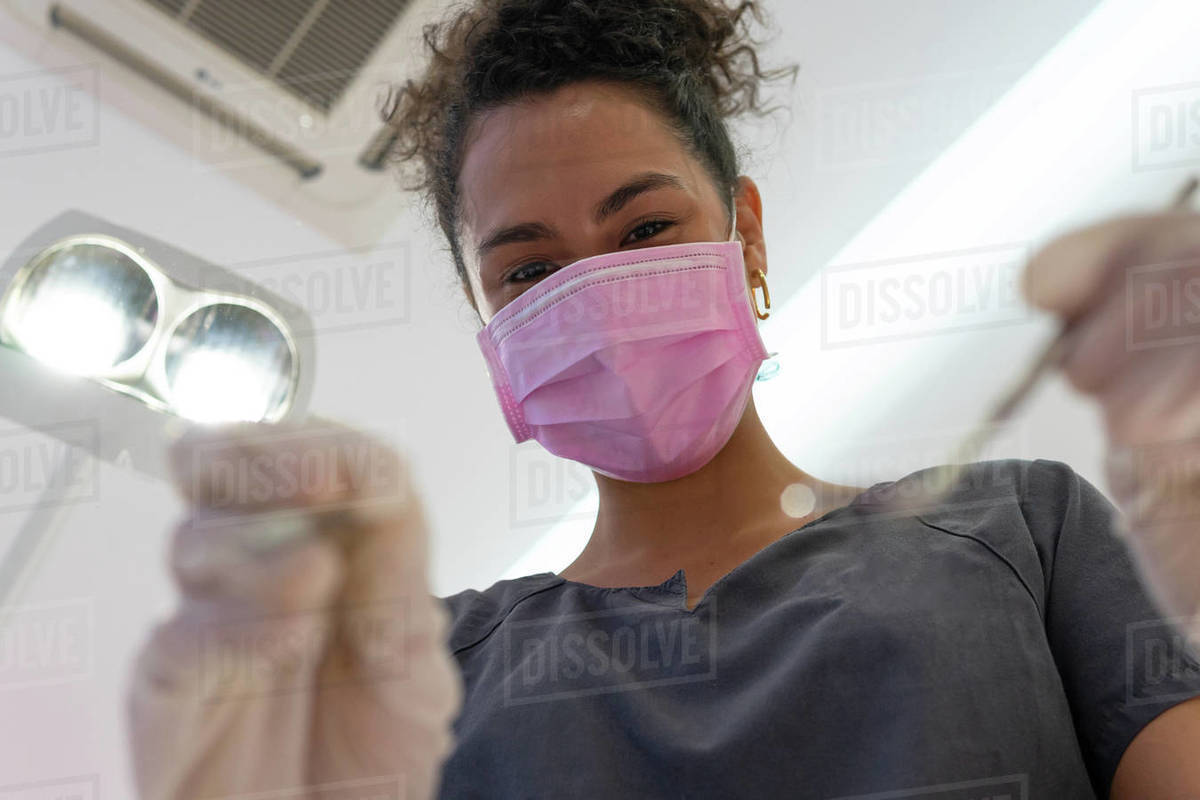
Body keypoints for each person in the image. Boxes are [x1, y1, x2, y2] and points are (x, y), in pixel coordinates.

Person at [127, 1, 1200, 798]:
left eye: (644, 230)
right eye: (530, 272)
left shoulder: (1019, 528)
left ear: (749, 236)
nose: (596, 293)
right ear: (492, 331)